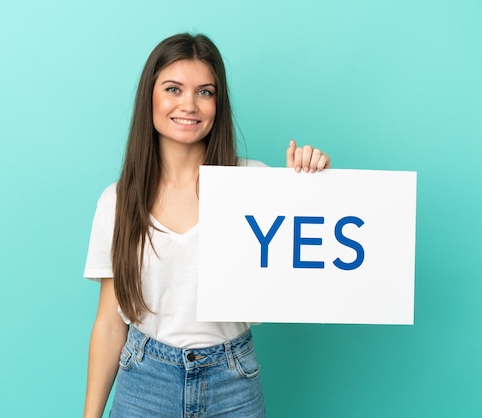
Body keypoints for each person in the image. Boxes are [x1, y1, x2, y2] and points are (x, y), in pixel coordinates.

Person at [82, 33, 330, 418]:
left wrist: (309, 184)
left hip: (233, 379)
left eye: (205, 92)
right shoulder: (117, 201)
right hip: (144, 381)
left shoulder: (254, 183)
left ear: (218, 103)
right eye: (173, 89)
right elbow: (110, 322)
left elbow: (314, 260)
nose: (189, 104)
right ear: (149, 96)